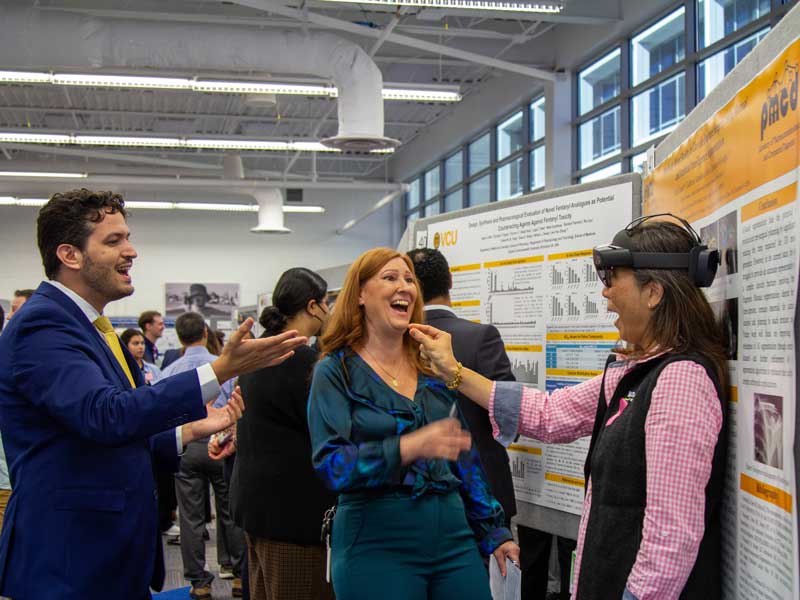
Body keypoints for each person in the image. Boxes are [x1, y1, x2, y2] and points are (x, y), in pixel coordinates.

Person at [0, 188, 307, 600]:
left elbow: (102, 433)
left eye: (127, 238)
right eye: (114, 241)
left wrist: (188, 432)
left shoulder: (89, 326)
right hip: (70, 560)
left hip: (106, 554)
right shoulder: (44, 325)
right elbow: (105, 415)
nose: (132, 251)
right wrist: (221, 369)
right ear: (69, 255)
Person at [410, 215, 728, 600]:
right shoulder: (636, 373)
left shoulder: (679, 381)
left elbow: (670, 539)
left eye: (613, 280)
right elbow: (549, 414)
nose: (605, 293)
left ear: (654, 292)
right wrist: (455, 372)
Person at [308, 247, 519, 600]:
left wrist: (495, 533)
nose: (404, 287)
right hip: (375, 540)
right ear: (359, 294)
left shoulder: (430, 368)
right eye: (389, 278)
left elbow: (465, 462)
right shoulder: (334, 371)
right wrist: (408, 447)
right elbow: (332, 466)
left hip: (453, 539)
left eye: (409, 280)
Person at [409, 247, 565, 598]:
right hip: (482, 499)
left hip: (417, 500)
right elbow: (508, 412)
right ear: (450, 281)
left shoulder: (396, 340)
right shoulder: (479, 337)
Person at [229, 268, 337, 600]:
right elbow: (331, 432)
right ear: (313, 306)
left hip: (257, 509)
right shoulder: (305, 362)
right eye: (327, 304)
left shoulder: (257, 353)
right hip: (294, 518)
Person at [161, 312, 245, 599]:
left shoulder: (170, 370)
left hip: (185, 445)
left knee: (190, 516)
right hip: (222, 443)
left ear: (180, 339)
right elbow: (237, 404)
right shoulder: (222, 367)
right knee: (228, 511)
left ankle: (199, 582)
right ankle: (235, 574)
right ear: (206, 334)